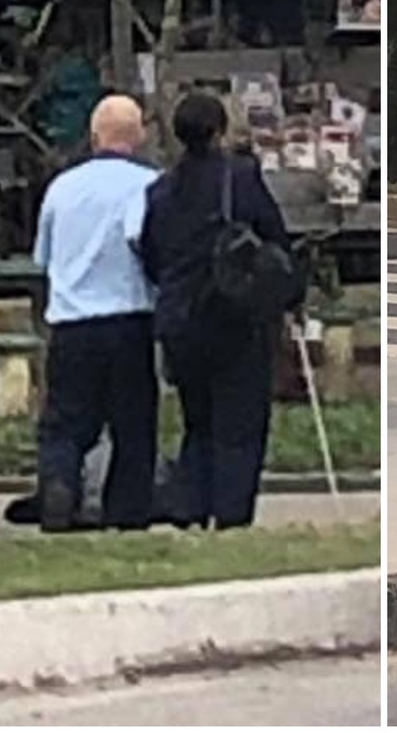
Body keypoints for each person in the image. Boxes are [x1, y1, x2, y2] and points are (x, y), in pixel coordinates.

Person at [133, 92, 294, 529]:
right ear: (221, 130)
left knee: (198, 419)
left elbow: (151, 255)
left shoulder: (161, 191)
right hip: (234, 316)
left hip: (181, 321)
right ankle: (230, 513)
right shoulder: (240, 178)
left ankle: (191, 504)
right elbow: (274, 236)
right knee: (239, 423)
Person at [33, 94, 160, 530]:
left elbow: (44, 258)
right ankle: (128, 510)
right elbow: (147, 245)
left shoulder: (62, 188)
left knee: (64, 420)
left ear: (92, 137)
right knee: (132, 423)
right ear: (139, 136)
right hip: (129, 318)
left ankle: (59, 482)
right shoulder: (150, 185)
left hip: (71, 322)